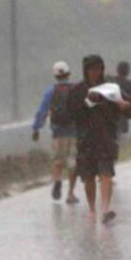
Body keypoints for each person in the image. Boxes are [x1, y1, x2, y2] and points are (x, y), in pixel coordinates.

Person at [68, 55, 131, 223]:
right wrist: (87, 102)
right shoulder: (77, 90)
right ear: (86, 71)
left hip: (106, 137)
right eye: (92, 70)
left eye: (99, 69)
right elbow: (72, 113)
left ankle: (105, 208)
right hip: (85, 140)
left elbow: (127, 107)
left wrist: (123, 105)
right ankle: (91, 209)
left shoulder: (111, 87)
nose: (96, 73)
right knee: (88, 177)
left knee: (106, 173)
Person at [31, 61, 78, 203]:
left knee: (58, 160)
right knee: (72, 163)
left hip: (57, 131)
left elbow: (42, 111)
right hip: (73, 131)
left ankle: (57, 180)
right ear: (68, 74)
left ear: (55, 76)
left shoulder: (50, 91)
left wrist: (36, 128)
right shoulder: (76, 89)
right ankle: (70, 194)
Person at [112, 61, 131, 137]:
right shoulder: (129, 84)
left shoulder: (111, 82)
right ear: (128, 71)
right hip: (123, 116)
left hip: (111, 116)